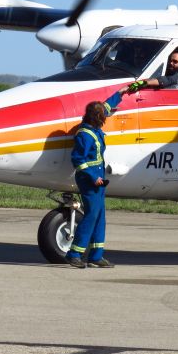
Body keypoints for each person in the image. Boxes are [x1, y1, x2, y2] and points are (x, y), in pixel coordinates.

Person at [65, 86, 130, 269]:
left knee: (100, 217)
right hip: (89, 181)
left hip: (99, 180)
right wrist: (93, 177)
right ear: (97, 118)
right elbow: (78, 159)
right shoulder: (84, 135)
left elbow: (107, 107)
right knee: (91, 216)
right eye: (103, 116)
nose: (106, 118)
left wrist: (121, 93)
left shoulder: (93, 127)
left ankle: (96, 256)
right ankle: (74, 253)